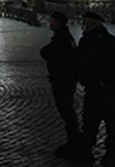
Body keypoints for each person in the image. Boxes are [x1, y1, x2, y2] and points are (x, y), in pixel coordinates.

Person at [75, 11, 115, 166]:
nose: (84, 24)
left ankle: (95, 153)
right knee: (106, 125)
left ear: (93, 22)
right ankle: (108, 154)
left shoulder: (97, 42)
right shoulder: (109, 41)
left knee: (97, 123)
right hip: (101, 89)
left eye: (86, 21)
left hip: (101, 90)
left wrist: (101, 81)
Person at [40, 11, 80, 157]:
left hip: (62, 79)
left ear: (56, 22)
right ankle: (74, 140)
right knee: (68, 111)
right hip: (66, 78)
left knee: (67, 111)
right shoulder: (66, 36)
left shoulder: (61, 37)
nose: (49, 23)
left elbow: (46, 52)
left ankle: (74, 142)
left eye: (51, 21)